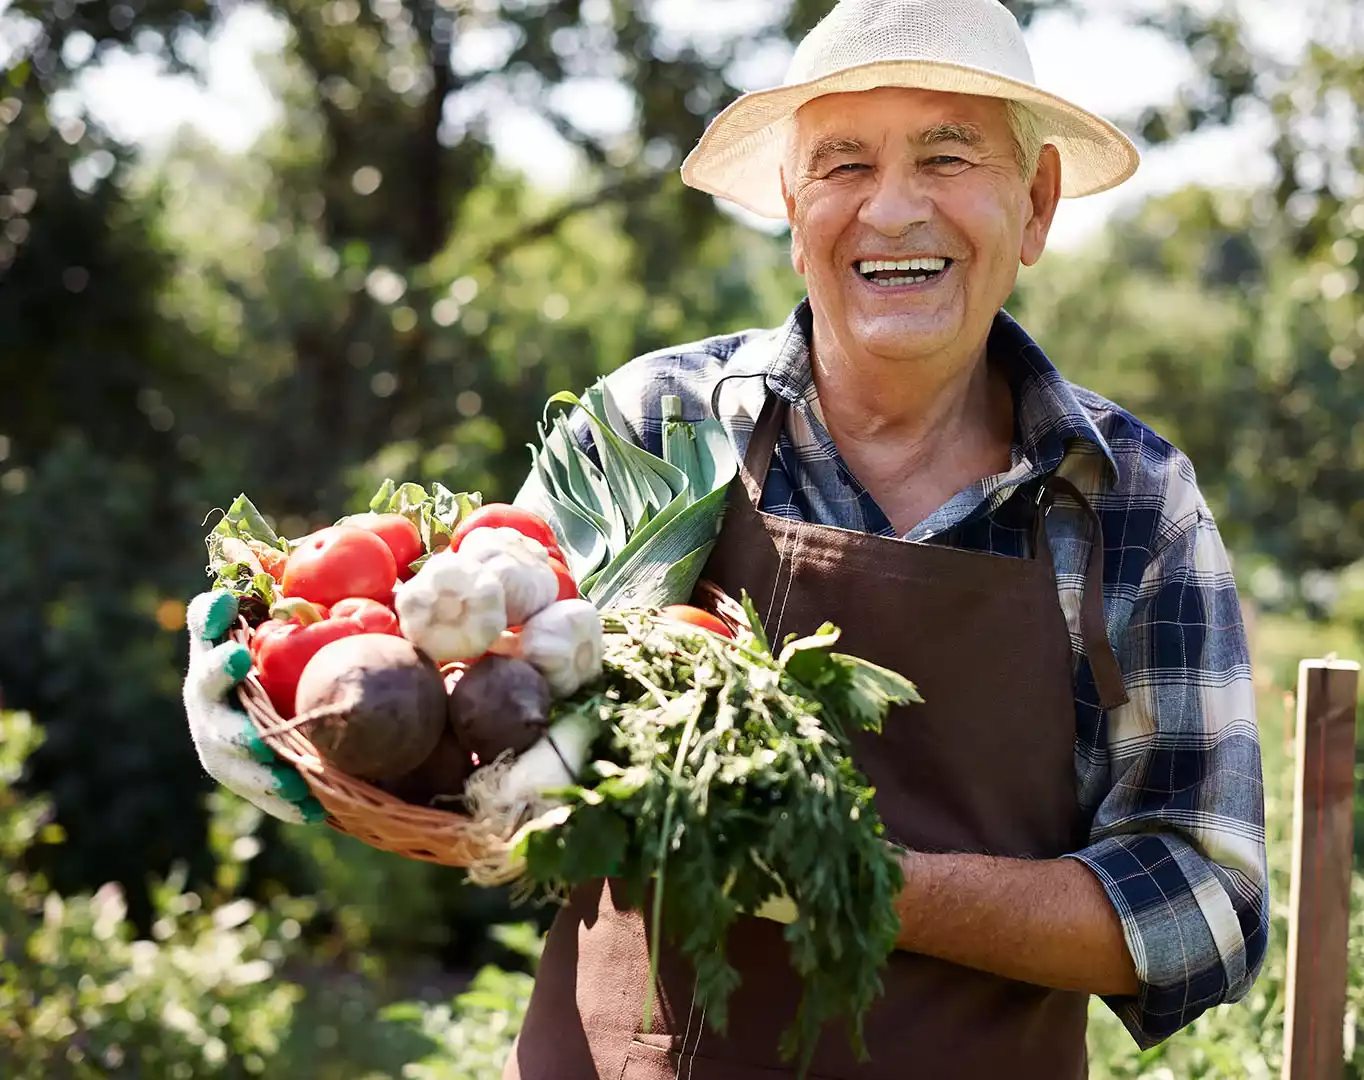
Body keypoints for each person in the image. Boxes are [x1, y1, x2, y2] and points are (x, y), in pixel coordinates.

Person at [182, 0, 1269, 1076]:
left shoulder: (1131, 502)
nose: (891, 211)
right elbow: (490, 735)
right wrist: (307, 704)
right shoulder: (651, 427)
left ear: (1034, 205)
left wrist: (845, 875)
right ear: (792, 206)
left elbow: (1205, 902)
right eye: (842, 164)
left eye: (947, 158)